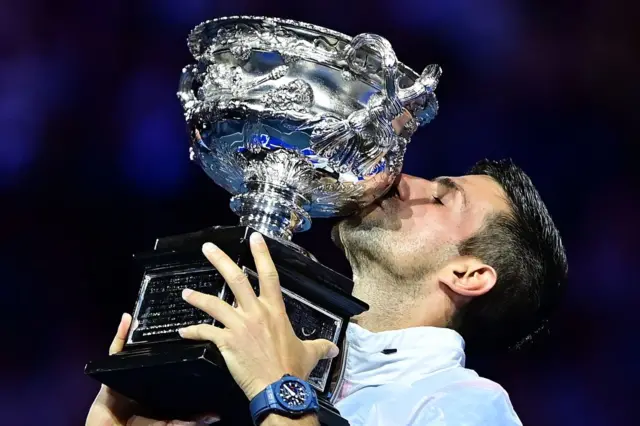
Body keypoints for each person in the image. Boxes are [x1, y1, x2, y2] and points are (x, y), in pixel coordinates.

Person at [86, 128, 567, 425]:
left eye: (440, 199)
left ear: (469, 273)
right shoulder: (268, 365)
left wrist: (279, 390)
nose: (401, 180)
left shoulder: (469, 408)